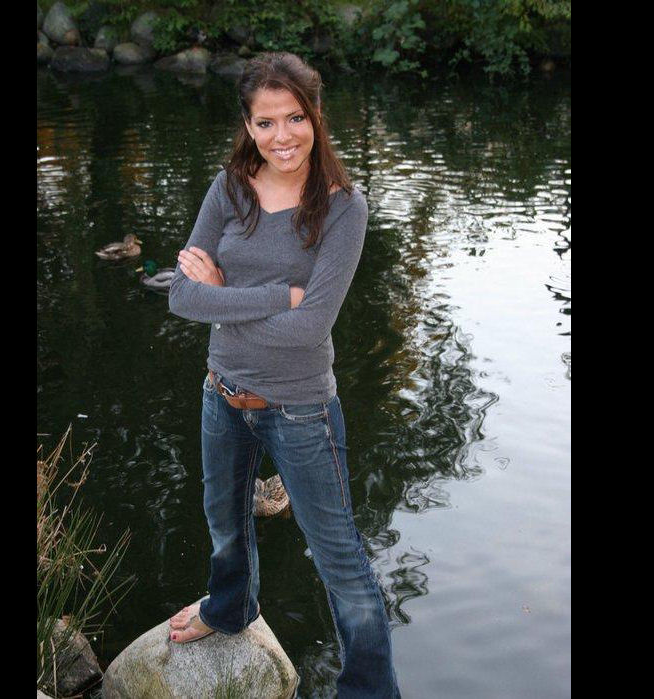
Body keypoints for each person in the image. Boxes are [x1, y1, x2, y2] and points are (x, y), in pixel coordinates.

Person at [167, 51, 401, 698]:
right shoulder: (229, 188)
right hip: (221, 394)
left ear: (315, 115)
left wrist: (223, 297)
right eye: (265, 122)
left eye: (294, 117)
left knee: (339, 562)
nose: (282, 136)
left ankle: (369, 689)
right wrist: (278, 296)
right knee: (224, 523)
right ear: (247, 125)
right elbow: (182, 296)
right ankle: (229, 607)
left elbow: (310, 327)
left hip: (300, 409)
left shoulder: (343, 208)